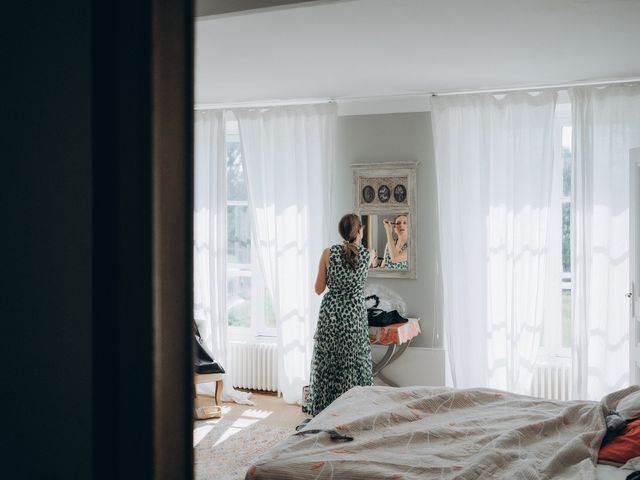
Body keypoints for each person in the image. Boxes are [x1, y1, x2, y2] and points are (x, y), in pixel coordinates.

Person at [306, 214, 375, 416]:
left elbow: (319, 289)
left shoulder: (328, 253)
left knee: (329, 362)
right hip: (354, 314)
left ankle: (326, 412)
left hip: (332, 314)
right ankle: (354, 410)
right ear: (360, 231)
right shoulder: (368, 255)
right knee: (353, 362)